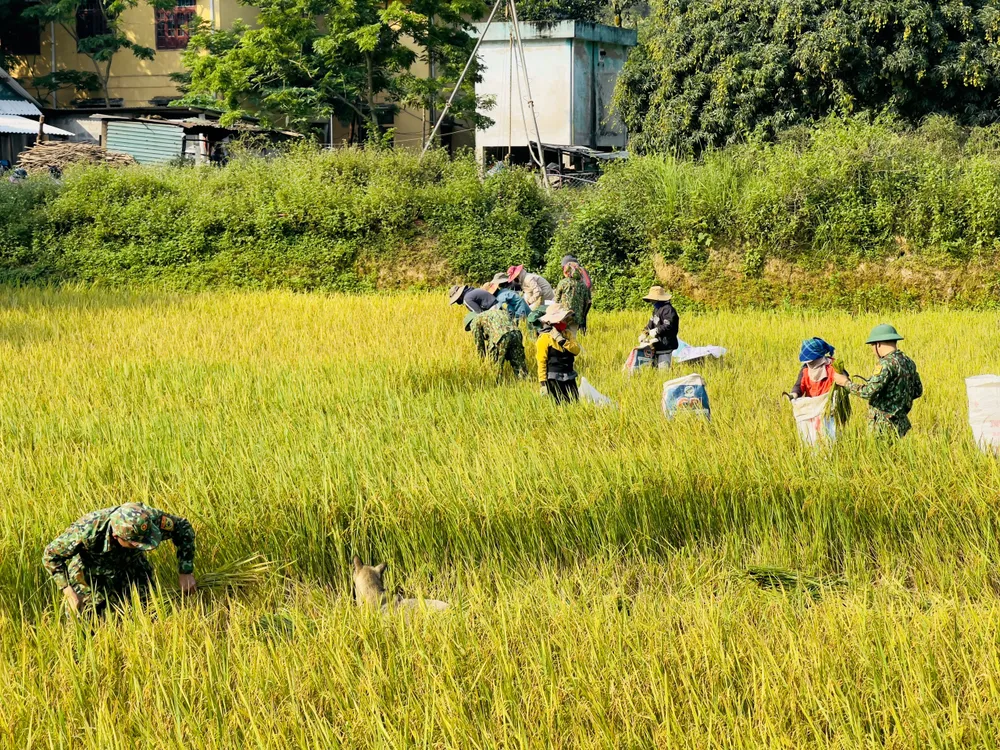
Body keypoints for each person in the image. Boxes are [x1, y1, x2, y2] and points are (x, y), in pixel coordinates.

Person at [43, 502, 196, 616]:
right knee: (83, 621)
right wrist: (69, 592)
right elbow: (51, 555)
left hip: (133, 567)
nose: (141, 547)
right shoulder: (87, 530)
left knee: (150, 613)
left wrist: (186, 571)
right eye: (135, 544)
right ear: (116, 536)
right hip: (91, 574)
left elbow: (183, 527)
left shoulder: (148, 519)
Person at [832, 324, 922, 437]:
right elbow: (918, 391)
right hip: (901, 423)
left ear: (878, 344)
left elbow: (869, 392)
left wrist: (845, 383)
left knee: (881, 454)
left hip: (883, 427)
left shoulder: (886, 364)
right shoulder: (908, 361)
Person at [465, 308, 529, 378]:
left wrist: (481, 361)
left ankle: (496, 385)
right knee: (520, 365)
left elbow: (479, 344)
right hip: (516, 333)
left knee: (495, 366)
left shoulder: (474, 321)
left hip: (500, 337)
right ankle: (525, 381)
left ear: (469, 323)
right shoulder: (491, 313)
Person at [536, 303, 581, 403]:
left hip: (569, 375)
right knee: (560, 404)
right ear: (556, 321)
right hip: (554, 378)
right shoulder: (544, 338)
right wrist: (543, 383)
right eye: (564, 319)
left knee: (575, 402)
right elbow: (541, 361)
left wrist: (562, 341)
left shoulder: (567, 334)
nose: (566, 321)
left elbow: (576, 350)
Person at [639, 286, 679, 369]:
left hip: (666, 345)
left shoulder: (668, 310)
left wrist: (657, 330)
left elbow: (669, 325)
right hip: (657, 345)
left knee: (663, 370)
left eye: (653, 300)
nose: (652, 302)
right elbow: (650, 324)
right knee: (654, 369)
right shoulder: (656, 310)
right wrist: (644, 333)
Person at [554, 259, 591, 333]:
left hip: (564, 315)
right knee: (572, 337)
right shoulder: (583, 285)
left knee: (563, 336)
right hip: (577, 317)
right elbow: (588, 302)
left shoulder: (563, 283)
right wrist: (583, 315)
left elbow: (557, 300)